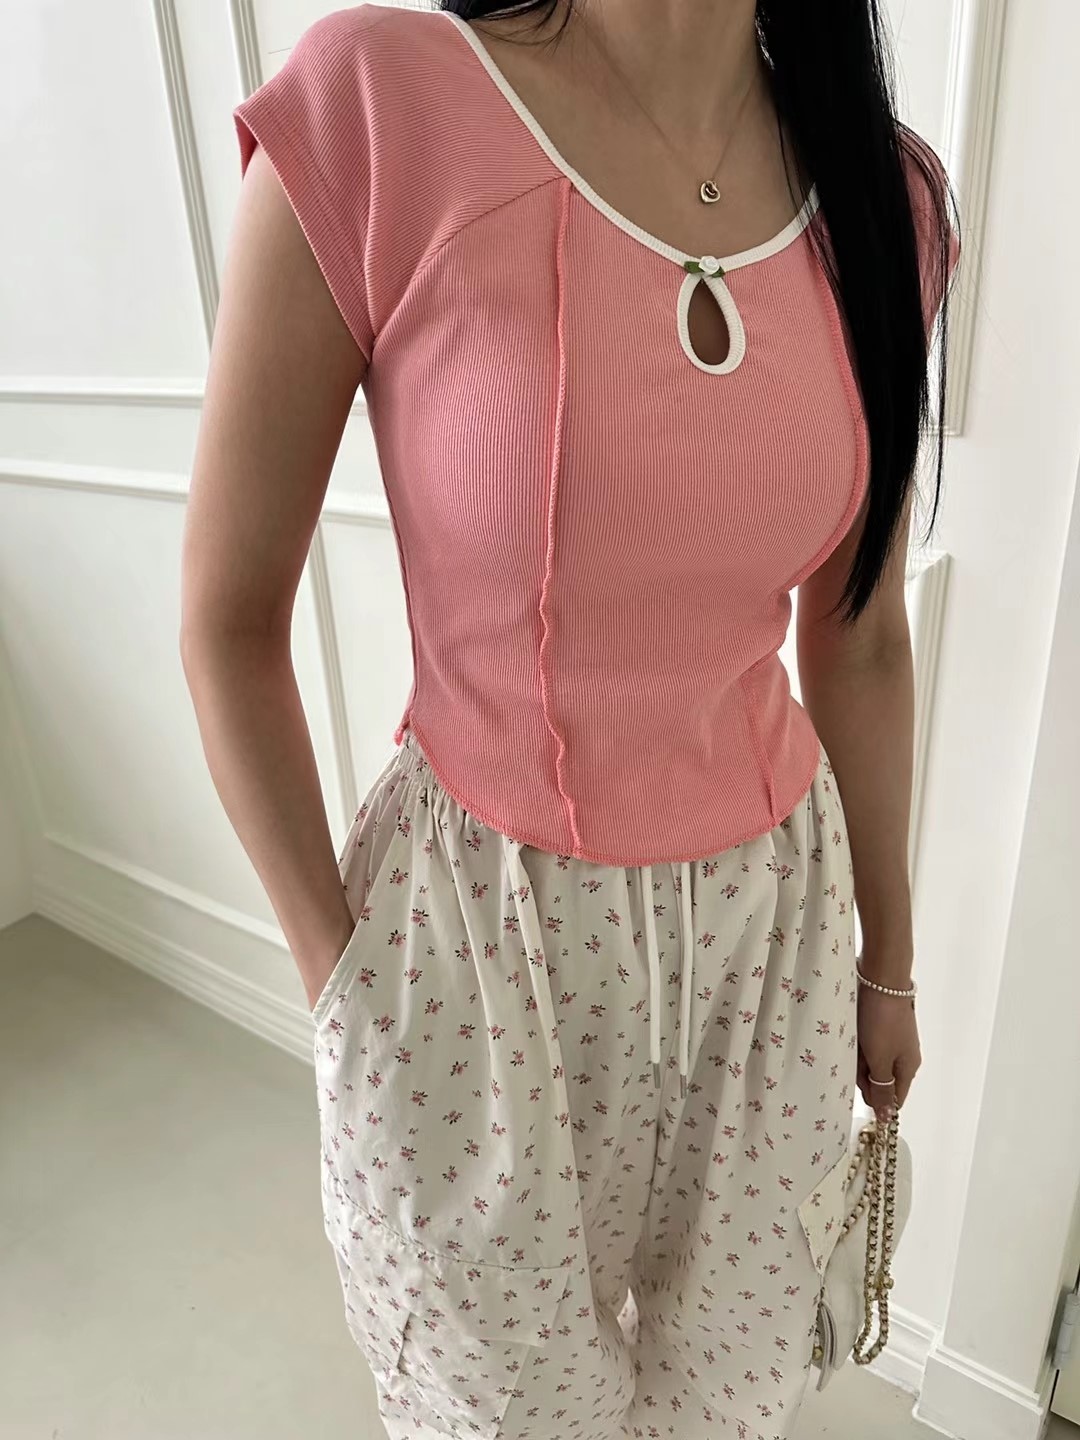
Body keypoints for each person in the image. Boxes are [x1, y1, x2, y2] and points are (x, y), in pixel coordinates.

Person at [179, 1, 960, 1435]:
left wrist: (889, 965)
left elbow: (859, 634)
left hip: (775, 950)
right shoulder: (383, 104)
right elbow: (229, 621)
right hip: (474, 962)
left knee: (729, 1407)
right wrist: (348, 994)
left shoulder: (886, 196)